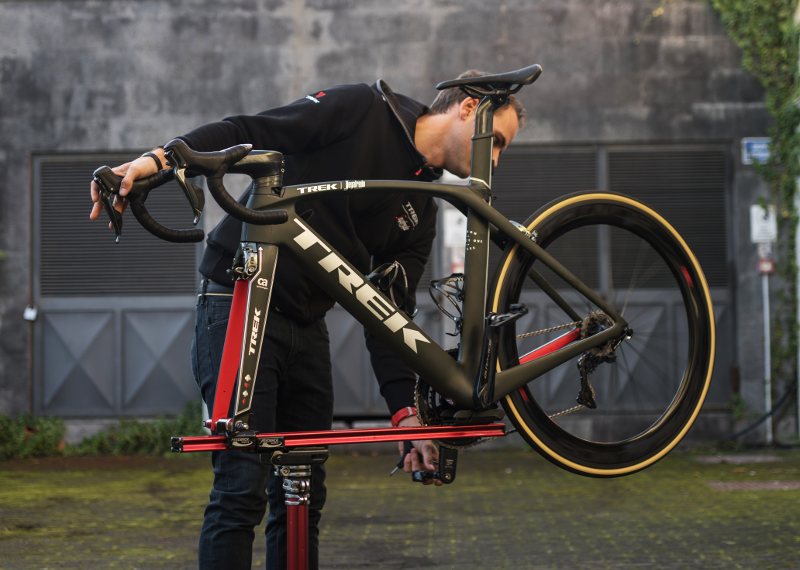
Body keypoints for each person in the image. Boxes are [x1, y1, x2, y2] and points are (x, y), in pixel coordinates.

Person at [90, 70, 525, 570]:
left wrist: (406, 413)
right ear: (469, 109)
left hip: (306, 323)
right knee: (241, 486)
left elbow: (390, 316)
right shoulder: (364, 109)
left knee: (302, 494)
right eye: (499, 142)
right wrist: (159, 160)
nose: (495, 159)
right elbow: (251, 128)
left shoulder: (421, 207)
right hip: (239, 298)